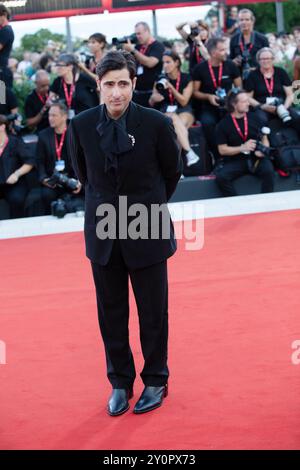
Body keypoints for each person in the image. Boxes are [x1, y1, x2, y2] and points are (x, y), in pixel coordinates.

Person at [68, 50, 182, 416]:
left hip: (145, 225)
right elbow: (84, 175)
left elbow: (172, 173)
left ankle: (155, 380)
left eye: (123, 84)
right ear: (98, 86)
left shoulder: (156, 124)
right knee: (111, 312)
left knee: (153, 312)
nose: (116, 92)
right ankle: (120, 382)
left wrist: (145, 209)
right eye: (108, 85)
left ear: (134, 84)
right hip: (103, 229)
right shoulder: (82, 125)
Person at [215, 89, 274, 197]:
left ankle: (266, 202)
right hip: (236, 160)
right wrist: (242, 148)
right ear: (234, 104)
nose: (248, 104)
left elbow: (265, 138)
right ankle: (235, 203)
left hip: (256, 158)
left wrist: (263, 151)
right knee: (221, 178)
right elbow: (222, 150)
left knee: (269, 171)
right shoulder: (223, 124)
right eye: (244, 102)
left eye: (248, 101)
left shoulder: (255, 118)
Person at [193, 36, 241, 155]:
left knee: (234, 121)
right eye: (223, 50)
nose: (226, 52)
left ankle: (235, 154)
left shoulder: (230, 65)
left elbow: (240, 88)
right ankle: (216, 155)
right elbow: (195, 92)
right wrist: (208, 97)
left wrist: (230, 97)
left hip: (229, 106)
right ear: (214, 53)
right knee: (208, 123)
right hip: (208, 107)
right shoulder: (200, 68)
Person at [149, 50, 198, 166]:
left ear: (176, 63)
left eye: (168, 62)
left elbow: (184, 101)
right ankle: (189, 153)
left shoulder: (187, 78)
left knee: (174, 128)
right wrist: (154, 98)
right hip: (165, 111)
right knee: (173, 122)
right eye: (163, 63)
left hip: (184, 110)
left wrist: (170, 86)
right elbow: (151, 102)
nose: (165, 65)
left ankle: (175, 167)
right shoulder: (159, 79)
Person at [33, 102, 82, 216]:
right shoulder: (43, 135)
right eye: (49, 115)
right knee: (47, 194)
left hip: (72, 178)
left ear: (64, 116)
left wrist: (80, 180)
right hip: (52, 180)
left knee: (84, 191)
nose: (50, 118)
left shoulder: (75, 133)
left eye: (54, 115)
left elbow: (83, 159)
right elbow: (39, 161)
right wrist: (44, 179)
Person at [245, 47, 296, 124]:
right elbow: (248, 97)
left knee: (297, 118)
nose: (265, 61)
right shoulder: (253, 75)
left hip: (282, 105)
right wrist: (261, 106)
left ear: (273, 59)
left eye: (268, 58)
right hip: (262, 107)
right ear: (258, 61)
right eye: (263, 59)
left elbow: (290, 94)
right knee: (260, 120)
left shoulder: (281, 72)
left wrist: (284, 108)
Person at [0, 115, 35, 218]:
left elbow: (30, 162)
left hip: (14, 183)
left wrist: (16, 174)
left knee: (16, 199)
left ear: (2, 127)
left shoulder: (15, 142)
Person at [122, 22, 165, 107]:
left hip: (151, 92)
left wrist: (133, 50)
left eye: (139, 33)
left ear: (147, 31)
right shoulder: (138, 47)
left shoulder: (158, 46)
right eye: (136, 34)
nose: (138, 36)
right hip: (137, 92)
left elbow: (150, 63)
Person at [50, 53, 99, 119]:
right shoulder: (58, 81)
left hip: (89, 117)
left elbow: (101, 89)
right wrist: (53, 101)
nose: (57, 68)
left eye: (60, 65)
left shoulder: (84, 78)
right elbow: (51, 98)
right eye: (56, 65)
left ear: (70, 67)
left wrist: (101, 108)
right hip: (69, 120)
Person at [230, 9, 269, 79]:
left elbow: (269, 60)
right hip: (240, 78)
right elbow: (231, 58)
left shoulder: (262, 39)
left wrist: (257, 68)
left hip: (260, 77)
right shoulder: (234, 39)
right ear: (238, 22)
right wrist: (233, 62)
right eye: (241, 20)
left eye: (247, 19)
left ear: (252, 21)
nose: (244, 22)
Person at [0, 4, 14, 88]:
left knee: (2, 98)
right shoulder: (6, 30)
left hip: (2, 71)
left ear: (4, 15)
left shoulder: (6, 30)